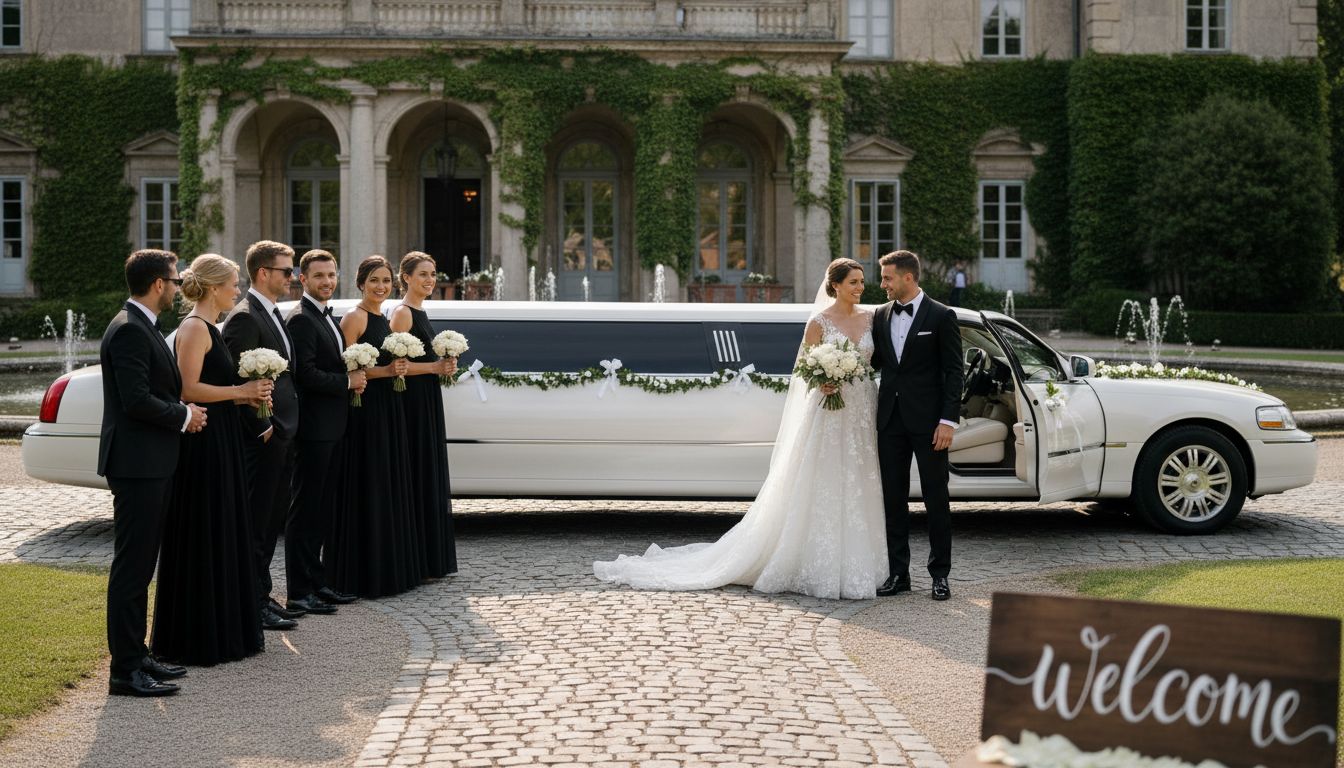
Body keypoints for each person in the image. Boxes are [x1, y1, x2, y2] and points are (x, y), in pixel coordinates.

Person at [593, 258, 887, 600]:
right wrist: (822, 382)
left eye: (861, 281)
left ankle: (864, 562)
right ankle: (815, 561)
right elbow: (804, 371)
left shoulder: (872, 318)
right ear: (835, 285)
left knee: (860, 481)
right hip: (828, 414)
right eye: (853, 282)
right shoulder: (818, 322)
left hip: (862, 412)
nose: (860, 287)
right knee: (822, 481)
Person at [98, 249, 208, 697]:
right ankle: (124, 671)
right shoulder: (129, 329)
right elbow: (136, 400)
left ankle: (138, 654)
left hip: (150, 462)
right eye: (176, 281)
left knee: (143, 565)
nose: (179, 288)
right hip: (137, 465)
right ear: (159, 284)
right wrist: (184, 415)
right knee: (132, 568)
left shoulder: (143, 324)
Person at [151, 254, 269, 666]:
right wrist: (241, 392)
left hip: (222, 438)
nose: (238, 290)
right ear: (215, 287)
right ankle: (197, 637)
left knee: (224, 528)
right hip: (203, 442)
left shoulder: (211, 327)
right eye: (233, 284)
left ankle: (225, 628)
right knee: (205, 530)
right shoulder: (194, 328)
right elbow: (187, 389)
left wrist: (248, 397)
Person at [221, 240, 315, 629]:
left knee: (271, 520)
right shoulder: (245, 318)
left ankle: (263, 595)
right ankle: (253, 604)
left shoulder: (273, 312)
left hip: (283, 433)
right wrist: (263, 428)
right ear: (263, 273)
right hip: (264, 437)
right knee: (258, 524)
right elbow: (236, 379)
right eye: (286, 270)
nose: (293, 277)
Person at [326, 255, 425, 598]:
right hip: (364, 412)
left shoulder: (384, 318)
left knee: (388, 483)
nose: (381, 287)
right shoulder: (354, 317)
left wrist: (400, 368)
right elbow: (347, 368)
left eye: (385, 281)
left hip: (389, 409)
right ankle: (362, 575)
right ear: (360, 284)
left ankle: (389, 570)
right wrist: (388, 371)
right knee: (368, 484)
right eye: (374, 281)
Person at [870, 250, 963, 601]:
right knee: (893, 499)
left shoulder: (942, 315)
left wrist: (948, 421)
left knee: (935, 499)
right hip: (890, 421)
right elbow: (874, 362)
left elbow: (954, 372)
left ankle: (940, 575)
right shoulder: (880, 315)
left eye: (887, 277)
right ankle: (899, 574)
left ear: (908, 277)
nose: (882, 284)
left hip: (930, 424)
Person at [285, 250, 366, 609]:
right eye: (319, 276)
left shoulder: (326, 316)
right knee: (306, 509)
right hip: (314, 430)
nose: (327, 281)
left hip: (333, 427)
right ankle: (299, 592)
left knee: (320, 509)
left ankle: (317, 583)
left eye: (331, 275)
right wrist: (348, 382)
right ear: (302, 279)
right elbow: (305, 374)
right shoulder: (302, 319)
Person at [389, 252, 459, 579]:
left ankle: (429, 559)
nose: (430, 280)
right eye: (423, 274)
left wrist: (444, 365)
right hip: (411, 404)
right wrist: (434, 367)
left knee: (428, 472)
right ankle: (417, 559)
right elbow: (395, 367)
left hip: (427, 398)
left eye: (433, 274)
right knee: (417, 472)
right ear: (406, 278)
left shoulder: (420, 311)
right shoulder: (402, 313)